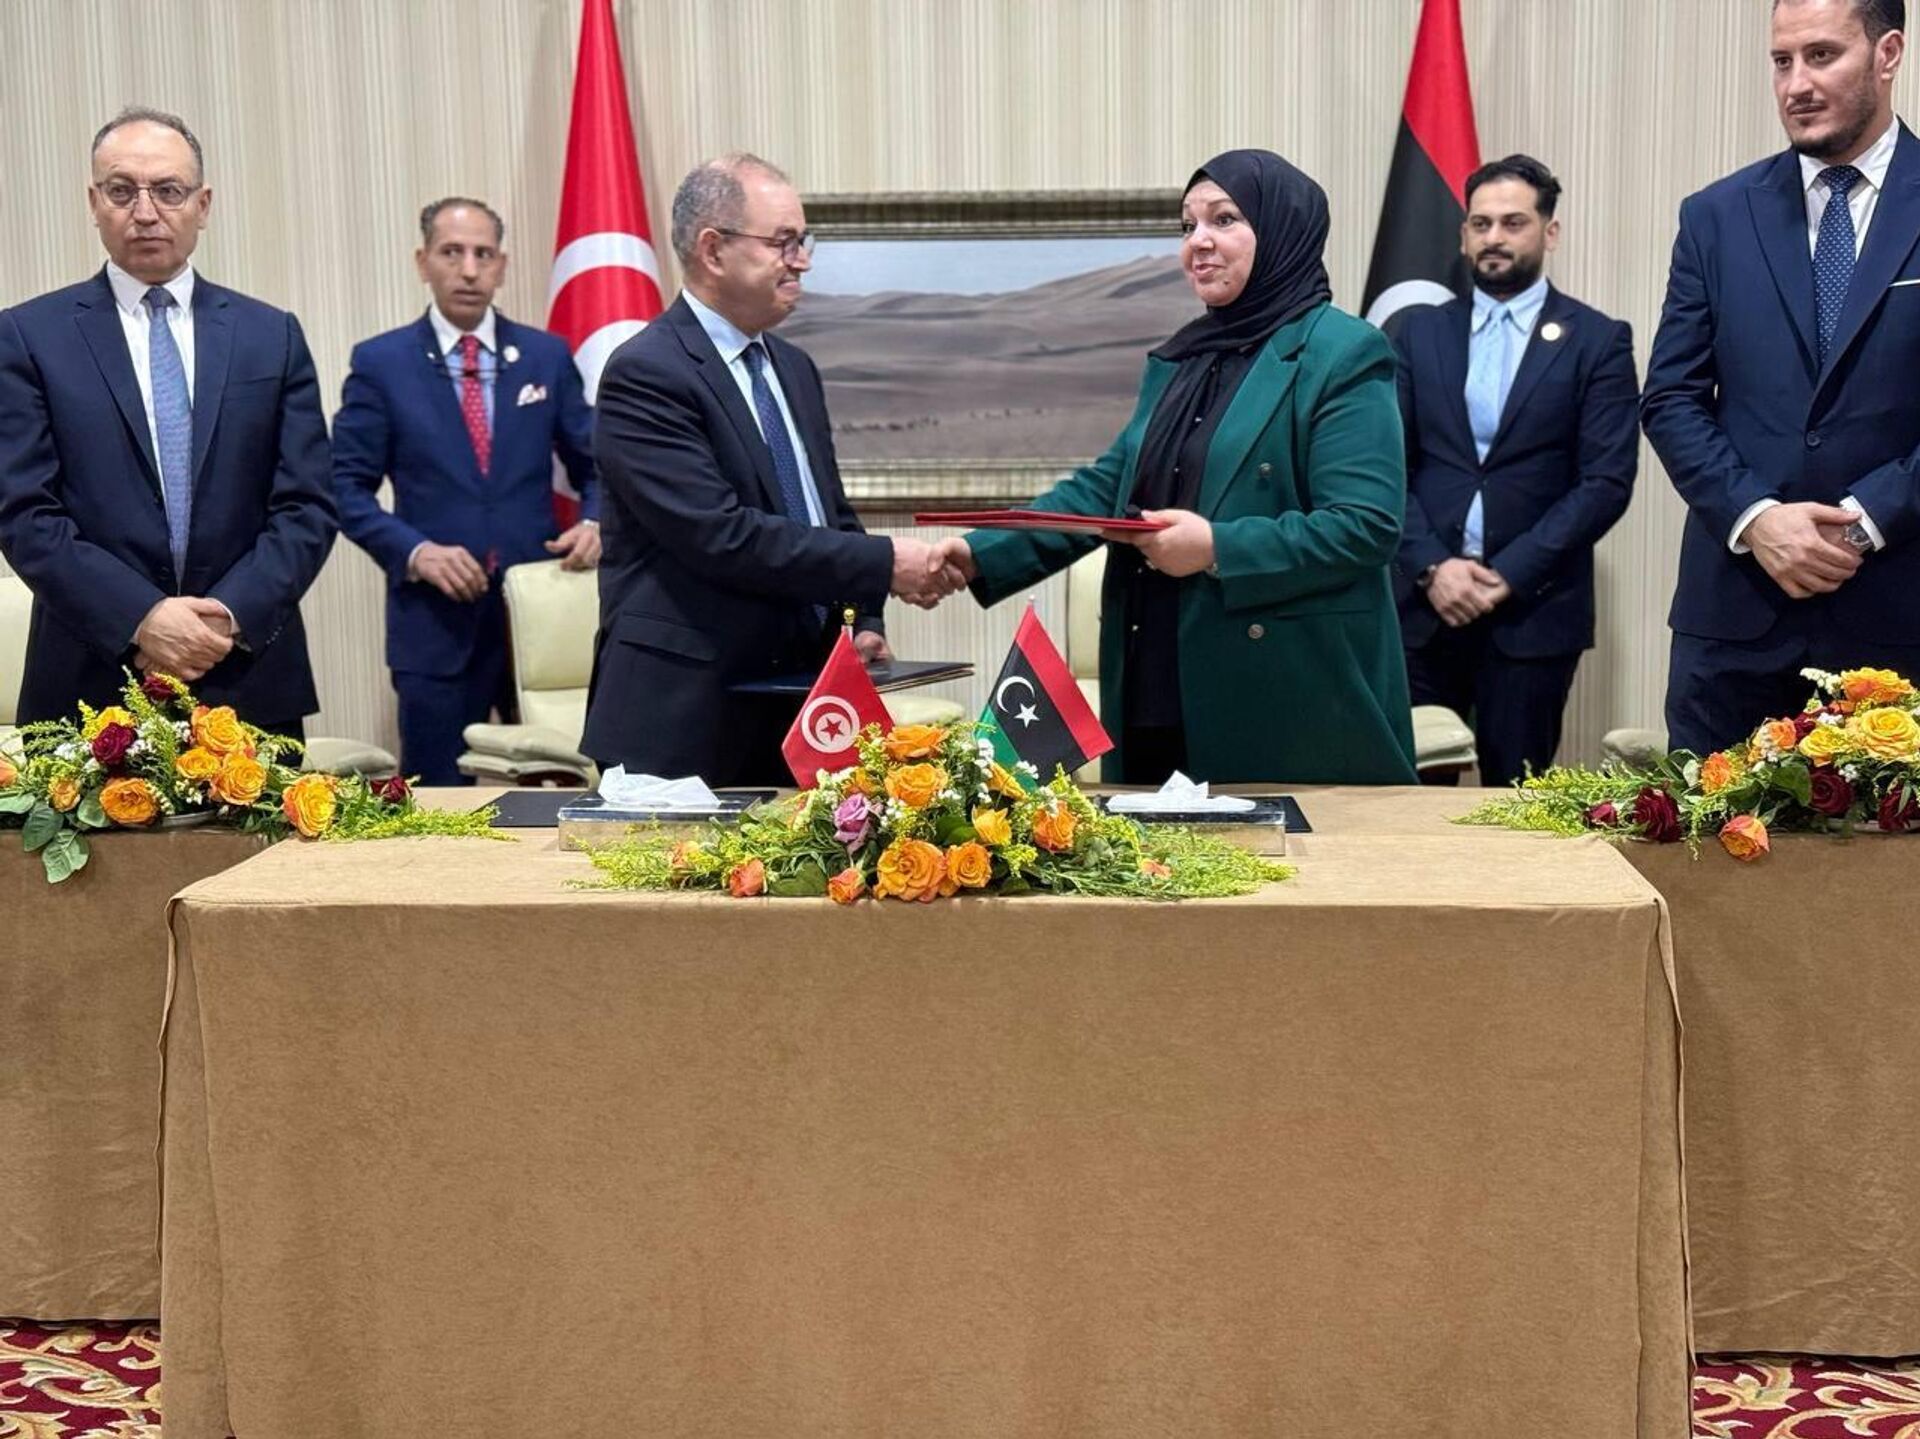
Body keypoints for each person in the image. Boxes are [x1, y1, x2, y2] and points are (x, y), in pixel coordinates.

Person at [935, 150, 1417, 785]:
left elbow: (1364, 526)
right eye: (1188, 226)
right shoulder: (1182, 360)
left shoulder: (1343, 352)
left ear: (1283, 230)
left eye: (1224, 220)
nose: (1199, 242)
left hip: (1286, 694)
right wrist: (979, 553)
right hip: (1154, 673)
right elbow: (1106, 490)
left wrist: (1215, 548)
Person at [582, 153, 955, 784]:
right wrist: (887, 562)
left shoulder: (793, 368)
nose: (801, 260)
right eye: (783, 242)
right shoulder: (647, 373)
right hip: (686, 718)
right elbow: (722, 536)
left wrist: (862, 619)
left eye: (803, 241)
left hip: (800, 710)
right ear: (713, 249)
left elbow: (827, 513)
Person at [0, 107, 335, 733]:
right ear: (94, 202)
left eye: (169, 190)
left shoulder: (271, 336)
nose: (146, 211)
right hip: (90, 681)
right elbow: (24, 513)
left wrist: (225, 617)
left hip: (243, 674)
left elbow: (307, 505)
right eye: (122, 190)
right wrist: (142, 618)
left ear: (203, 205)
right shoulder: (27, 336)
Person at [1643, 0, 1920, 754]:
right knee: (1707, 835)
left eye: (1822, 55)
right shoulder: (1715, 215)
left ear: (1888, 53)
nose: (1796, 83)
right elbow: (1671, 399)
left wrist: (1866, 521)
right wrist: (1757, 516)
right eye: (1781, 60)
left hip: (1899, 620)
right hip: (1734, 628)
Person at [331, 198, 601, 784]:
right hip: (435, 629)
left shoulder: (545, 356)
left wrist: (596, 522)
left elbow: (598, 466)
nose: (469, 270)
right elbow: (343, 488)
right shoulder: (382, 363)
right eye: (452, 253)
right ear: (422, 261)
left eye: (483, 254)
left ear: (502, 265)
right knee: (435, 798)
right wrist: (415, 552)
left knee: (564, 789)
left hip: (539, 620)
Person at [1394, 155, 1639, 787]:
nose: (1494, 238)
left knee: (1517, 804)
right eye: (1480, 224)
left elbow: (1605, 482)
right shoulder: (1417, 333)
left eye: (1513, 222)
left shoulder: (1597, 340)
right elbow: (1388, 467)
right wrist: (1433, 567)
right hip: (1423, 609)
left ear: (1549, 232)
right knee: (1405, 804)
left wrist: (1508, 575)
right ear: (1463, 235)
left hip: (1534, 613)